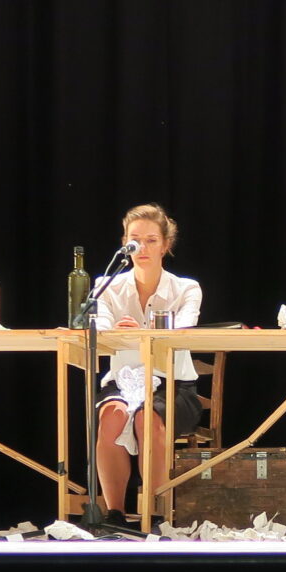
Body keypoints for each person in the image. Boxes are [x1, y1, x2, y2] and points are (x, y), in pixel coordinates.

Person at [89, 203, 206, 525]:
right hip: (122, 380)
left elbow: (181, 332)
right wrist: (131, 334)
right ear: (125, 244)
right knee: (112, 415)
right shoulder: (108, 285)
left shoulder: (186, 288)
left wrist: (137, 333)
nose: (143, 247)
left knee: (146, 418)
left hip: (173, 384)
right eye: (135, 240)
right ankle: (114, 513)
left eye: (152, 240)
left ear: (166, 245)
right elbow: (104, 331)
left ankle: (153, 514)